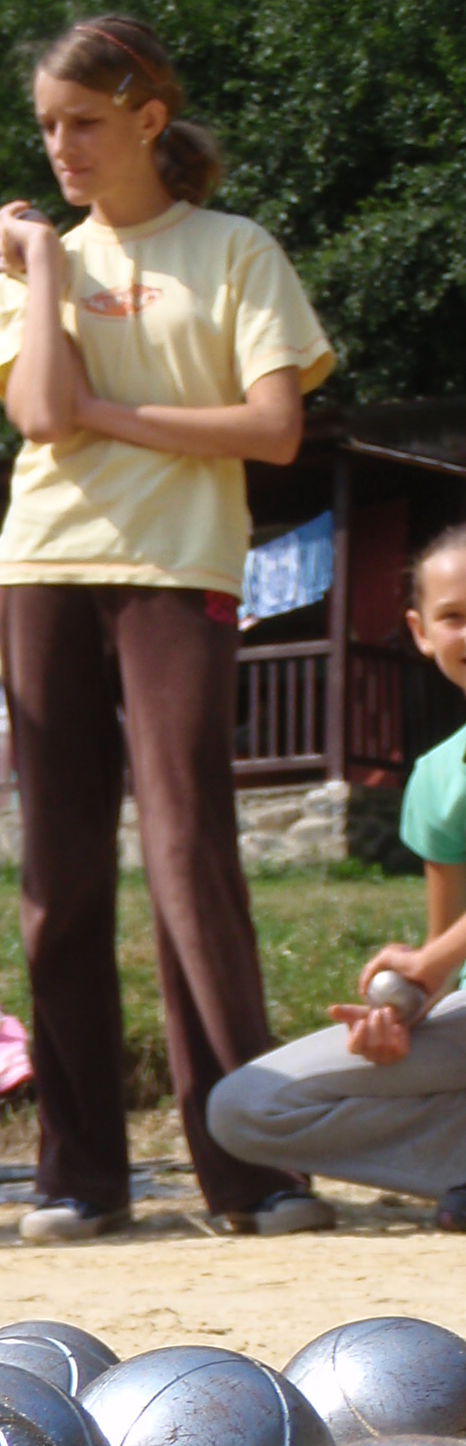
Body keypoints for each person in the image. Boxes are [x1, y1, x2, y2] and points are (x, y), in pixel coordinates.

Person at [0, 14, 337, 1242]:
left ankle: (255, 1166)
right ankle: (79, 1173)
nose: (62, 146)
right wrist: (40, 264)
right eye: (47, 126)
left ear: (147, 117)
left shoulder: (234, 248)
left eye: (84, 121)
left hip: (182, 566)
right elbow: (42, 413)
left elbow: (274, 429)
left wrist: (112, 411)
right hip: (44, 564)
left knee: (192, 856)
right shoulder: (33, 259)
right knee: (60, 871)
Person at [210, 526, 466, 1227]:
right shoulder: (437, 777)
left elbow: (436, 956)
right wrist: (403, 1010)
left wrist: (428, 964)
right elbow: (445, 954)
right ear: (419, 632)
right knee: (246, 1107)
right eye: (453, 616)